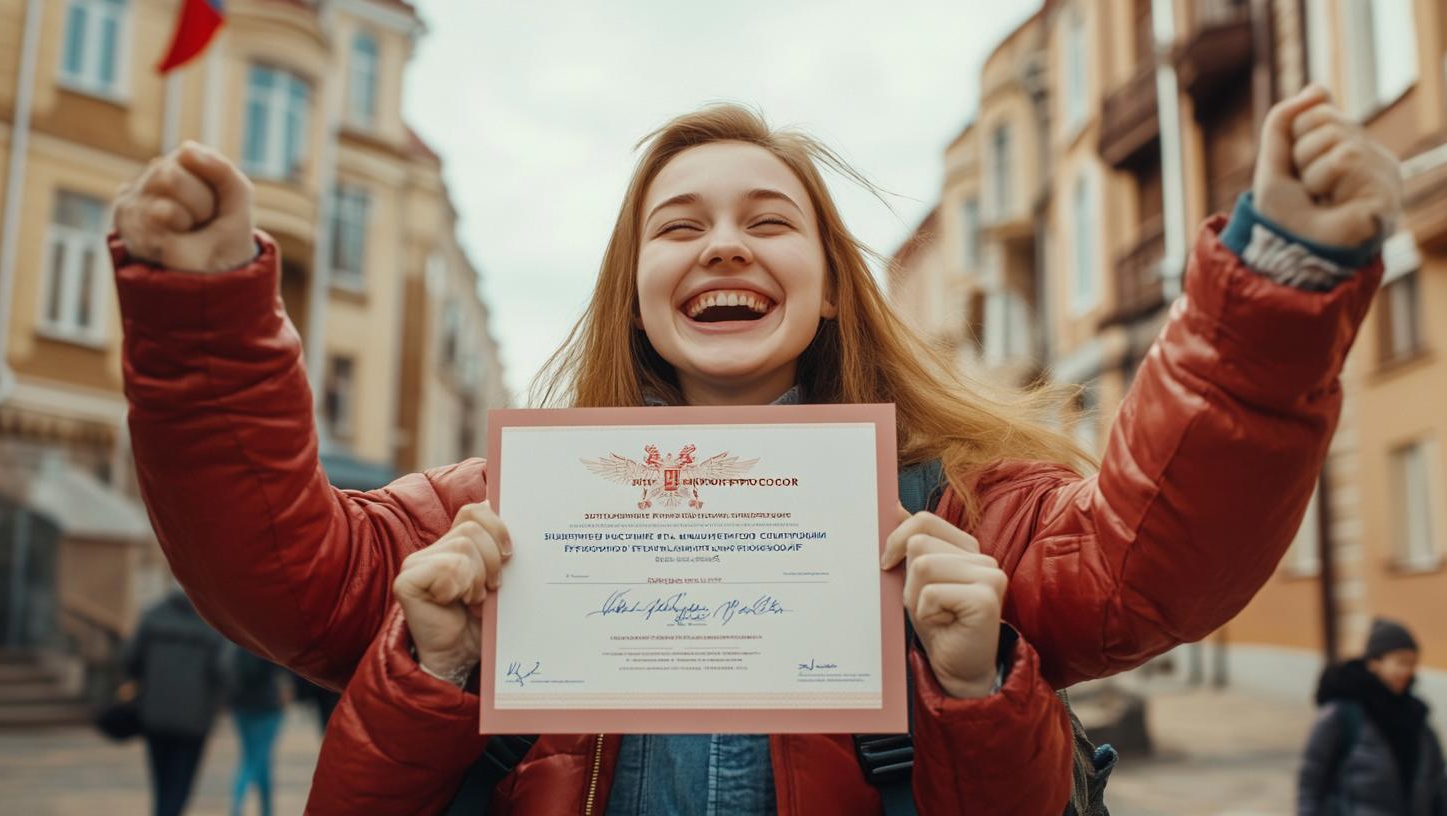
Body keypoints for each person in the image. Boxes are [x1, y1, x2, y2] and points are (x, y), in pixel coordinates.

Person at [105, 81, 1398, 815]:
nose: (723, 244)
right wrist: (205, 311)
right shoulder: (500, 510)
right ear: (634, 292)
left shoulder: (960, 505)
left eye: (768, 220)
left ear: (830, 287)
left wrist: (1277, 279)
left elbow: (1149, 565)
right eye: (680, 227)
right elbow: (279, 574)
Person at [1298, 619, 1447, 815]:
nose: (1408, 671)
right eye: (1401, 662)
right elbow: (1311, 784)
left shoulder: (1417, 717)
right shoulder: (1343, 714)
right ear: (1374, 662)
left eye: (1412, 663)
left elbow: (1437, 783)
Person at [121, 586, 228, 816]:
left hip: (155, 714)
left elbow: (130, 660)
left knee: (160, 780)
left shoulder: (154, 615)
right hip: (194, 719)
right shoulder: (211, 622)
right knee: (180, 783)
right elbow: (223, 670)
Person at [227, 647, 291, 816]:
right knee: (255, 760)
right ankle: (237, 809)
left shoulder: (237, 631)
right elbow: (281, 673)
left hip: (241, 705)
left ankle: (266, 810)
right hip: (267, 706)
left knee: (259, 760)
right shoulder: (267, 635)